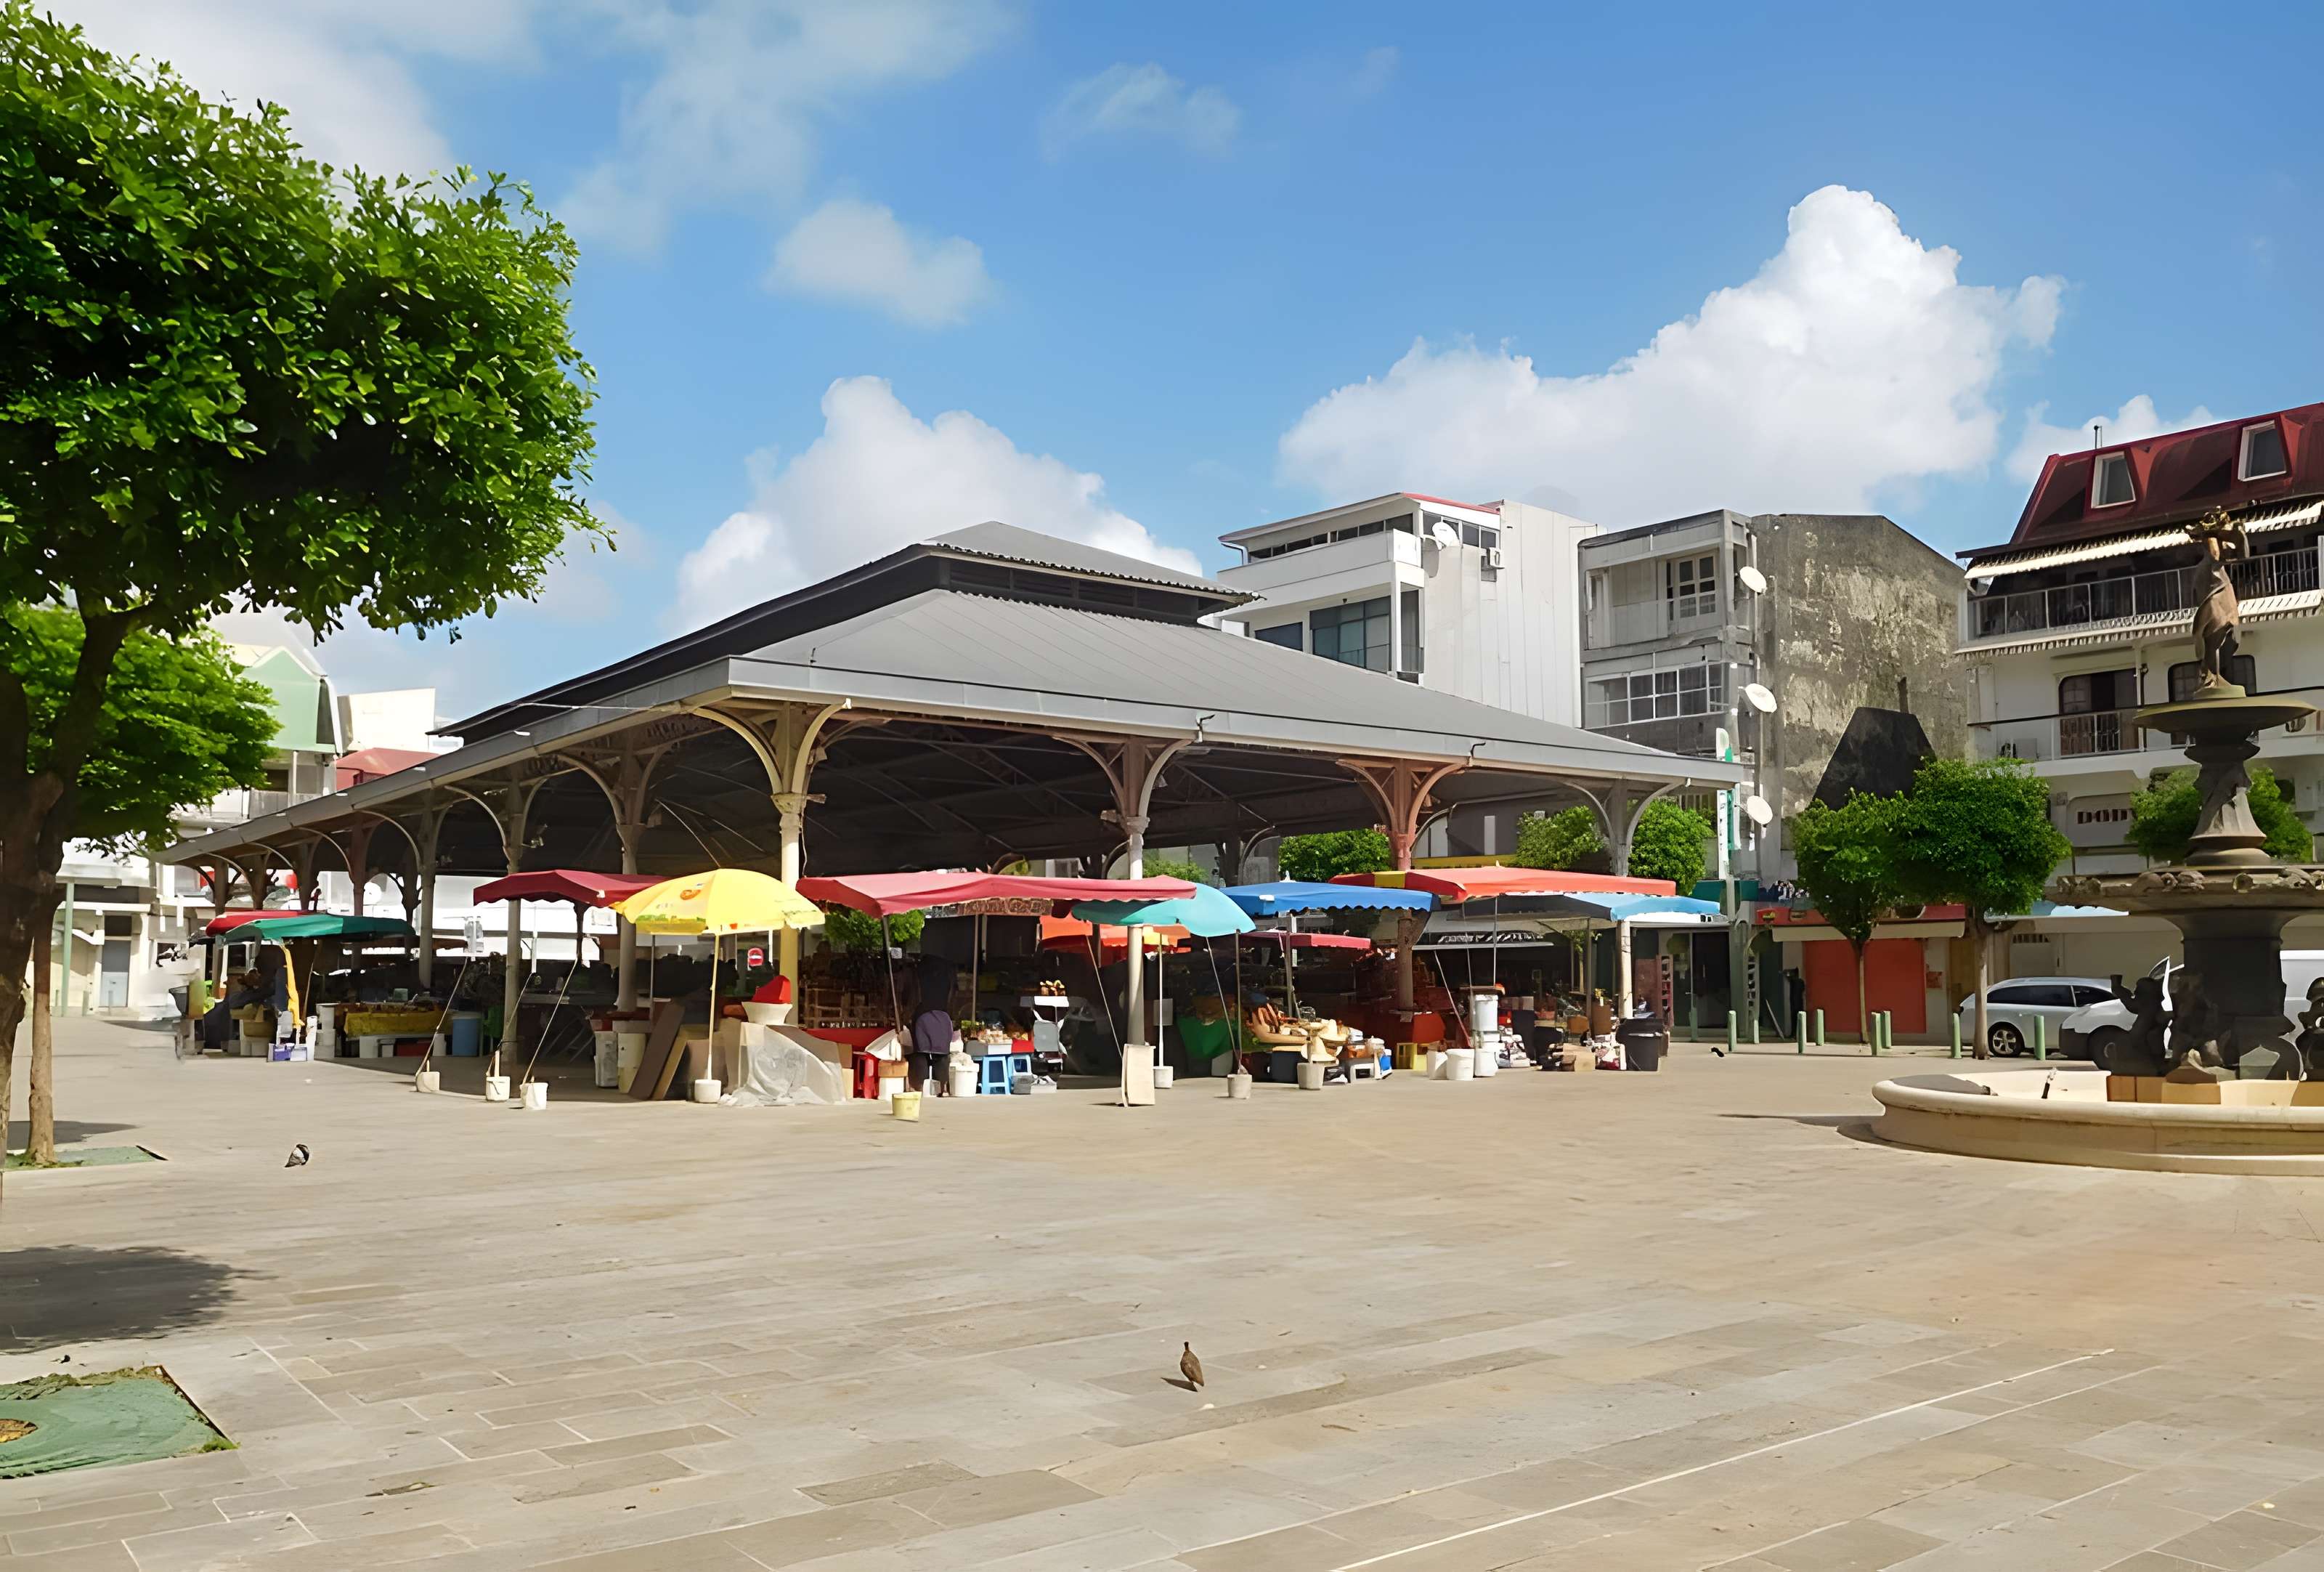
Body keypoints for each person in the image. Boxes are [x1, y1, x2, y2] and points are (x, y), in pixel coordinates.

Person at [908, 952, 955, 1094]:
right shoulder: (947, 977)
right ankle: (942, 1087)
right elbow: (952, 996)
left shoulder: (919, 976)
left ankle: (919, 1086)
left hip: (923, 1015)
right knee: (941, 1054)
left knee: (920, 1053)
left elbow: (911, 997)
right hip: (943, 1017)